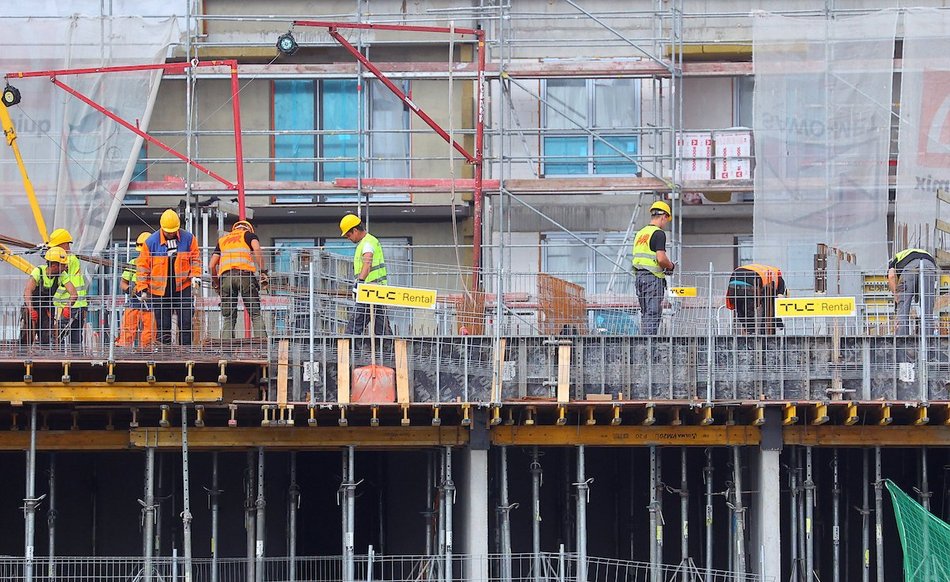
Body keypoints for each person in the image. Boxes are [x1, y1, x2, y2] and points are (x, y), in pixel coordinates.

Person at [136, 209, 202, 346]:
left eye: (173, 231)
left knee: (186, 322)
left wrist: (195, 276)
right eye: (168, 231)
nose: (171, 233)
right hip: (160, 291)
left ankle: (185, 352)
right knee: (163, 325)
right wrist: (142, 288)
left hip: (183, 287)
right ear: (162, 228)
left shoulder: (188, 239)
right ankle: (164, 353)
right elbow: (143, 266)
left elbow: (195, 259)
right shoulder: (151, 242)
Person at [210, 220, 268, 338]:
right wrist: (262, 271)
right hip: (245, 276)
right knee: (255, 314)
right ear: (248, 229)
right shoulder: (249, 235)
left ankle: (226, 348)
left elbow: (211, 266)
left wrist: (217, 283)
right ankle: (261, 347)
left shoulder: (222, 240)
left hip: (226, 278)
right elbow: (257, 250)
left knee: (228, 317)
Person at [340, 213, 391, 335]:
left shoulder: (367, 243)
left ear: (355, 230)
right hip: (377, 290)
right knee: (382, 328)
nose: (348, 238)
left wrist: (360, 282)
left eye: (348, 235)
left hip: (369, 290)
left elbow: (367, 262)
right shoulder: (369, 241)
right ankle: (387, 346)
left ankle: (349, 346)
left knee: (354, 327)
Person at [632, 200, 675, 335]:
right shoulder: (658, 233)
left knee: (646, 314)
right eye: (666, 220)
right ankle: (649, 344)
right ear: (664, 216)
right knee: (653, 313)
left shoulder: (640, 233)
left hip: (640, 278)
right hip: (653, 278)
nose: (665, 223)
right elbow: (661, 258)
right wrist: (671, 266)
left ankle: (644, 342)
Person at [24, 247, 77, 346]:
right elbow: (28, 291)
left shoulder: (62, 275)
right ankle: (23, 353)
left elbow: (74, 294)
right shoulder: (38, 271)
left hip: (47, 309)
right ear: (54, 265)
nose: (65, 267)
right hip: (33, 306)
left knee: (46, 337)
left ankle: (44, 354)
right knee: (27, 335)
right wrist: (31, 309)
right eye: (63, 265)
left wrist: (68, 306)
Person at [47, 228, 88, 345]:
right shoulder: (70, 258)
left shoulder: (68, 259)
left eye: (55, 247)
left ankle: (57, 355)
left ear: (64, 245)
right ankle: (77, 355)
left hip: (69, 304)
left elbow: (57, 270)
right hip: (78, 304)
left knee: (57, 335)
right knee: (75, 337)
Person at [116, 232, 155, 348]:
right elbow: (123, 283)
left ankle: (147, 350)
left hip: (151, 302)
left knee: (149, 332)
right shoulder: (133, 263)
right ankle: (124, 350)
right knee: (128, 328)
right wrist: (130, 290)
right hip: (134, 301)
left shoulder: (157, 265)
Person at [888, 248, 938, 336]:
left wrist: (896, 295)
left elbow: (891, 276)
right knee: (927, 310)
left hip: (910, 267)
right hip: (930, 266)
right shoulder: (924, 253)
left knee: (903, 309)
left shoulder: (896, 260)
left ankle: (902, 340)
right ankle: (928, 340)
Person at [725, 264, 787, 335]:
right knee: (757, 307)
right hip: (751, 279)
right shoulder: (777, 279)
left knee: (740, 306)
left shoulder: (771, 274)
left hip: (735, 277)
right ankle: (758, 330)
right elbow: (776, 301)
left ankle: (750, 329)